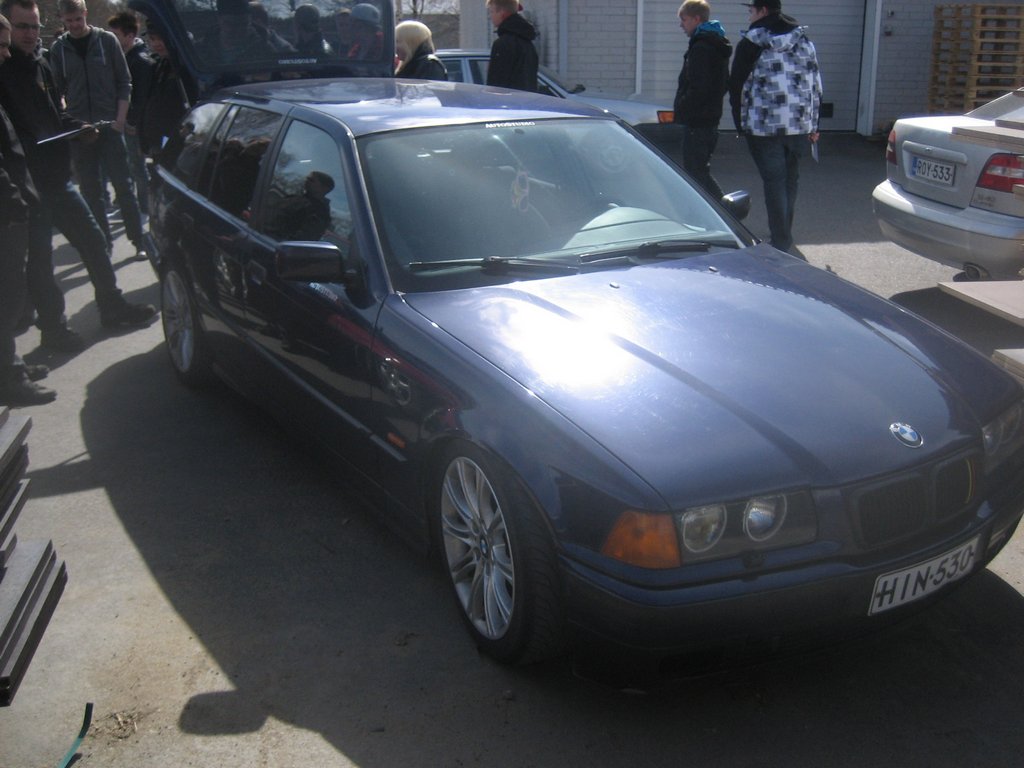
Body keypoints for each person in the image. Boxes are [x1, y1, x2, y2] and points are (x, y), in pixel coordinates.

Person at [0, 0, 156, 335]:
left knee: (94, 240)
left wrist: (79, 128)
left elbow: (55, 114)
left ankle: (112, 307)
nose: (30, 34)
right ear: (7, 26)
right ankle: (54, 330)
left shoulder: (41, 61)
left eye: (35, 26)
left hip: (58, 178)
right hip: (28, 185)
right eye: (22, 26)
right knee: (40, 264)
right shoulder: (5, 69)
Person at [49, 0, 149, 262]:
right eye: (69, 21)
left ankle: (138, 241)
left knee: (123, 187)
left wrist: (120, 119)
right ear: (62, 19)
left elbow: (124, 82)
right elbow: (57, 91)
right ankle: (103, 244)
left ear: (85, 14)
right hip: (81, 132)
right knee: (91, 192)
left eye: (78, 19)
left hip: (110, 127)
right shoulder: (59, 49)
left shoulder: (106, 41)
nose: (74, 25)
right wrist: (70, 119)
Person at [728, 0, 821, 255]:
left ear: (763, 11)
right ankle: (784, 233)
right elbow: (815, 83)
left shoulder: (751, 43)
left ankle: (780, 240)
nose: (749, 15)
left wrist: (739, 122)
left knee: (774, 181)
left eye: (751, 10)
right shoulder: (804, 41)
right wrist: (815, 123)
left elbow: (736, 85)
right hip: (799, 124)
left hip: (764, 125)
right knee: (790, 180)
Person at [0, 12, 55, 405]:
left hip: (11, 205)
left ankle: (10, 364)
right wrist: (14, 201)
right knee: (7, 297)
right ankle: (10, 378)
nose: (6, 54)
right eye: (1, 46)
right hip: (5, 212)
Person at [673, 0, 730, 199]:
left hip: (697, 122)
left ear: (696, 19)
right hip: (710, 119)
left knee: (695, 173)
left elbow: (699, 87)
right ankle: (722, 208)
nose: (681, 25)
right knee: (699, 170)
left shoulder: (701, 48)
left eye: (684, 20)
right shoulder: (716, 45)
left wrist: (683, 107)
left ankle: (724, 209)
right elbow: (723, 83)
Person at [107, 9, 151, 219]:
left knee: (138, 168)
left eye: (116, 35)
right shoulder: (122, 57)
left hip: (133, 125)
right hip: (122, 121)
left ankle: (144, 208)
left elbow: (141, 97)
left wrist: (132, 121)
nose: (112, 39)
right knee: (126, 166)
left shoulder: (140, 61)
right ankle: (127, 204)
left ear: (130, 35)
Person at [138, 20, 193, 167]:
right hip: (158, 140)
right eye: (152, 39)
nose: (156, 44)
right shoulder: (158, 65)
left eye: (160, 39)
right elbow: (148, 103)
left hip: (180, 141)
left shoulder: (187, 68)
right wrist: (144, 140)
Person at [485, 0, 537, 92]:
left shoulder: (503, 44)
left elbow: (497, 83)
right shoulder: (528, 43)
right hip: (527, 99)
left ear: (502, 13)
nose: (490, 16)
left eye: (492, 11)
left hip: (508, 99)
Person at [267, 171, 335, 241]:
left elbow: (305, 239)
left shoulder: (319, 213)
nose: (306, 181)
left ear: (324, 188)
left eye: (311, 180)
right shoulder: (295, 198)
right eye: (307, 178)